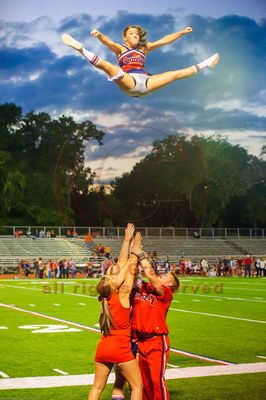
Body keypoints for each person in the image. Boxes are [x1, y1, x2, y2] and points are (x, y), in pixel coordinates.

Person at [61, 25, 219, 98]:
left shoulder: (145, 48)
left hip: (147, 82)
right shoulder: (120, 49)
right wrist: (98, 35)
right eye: (131, 34)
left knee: (174, 74)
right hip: (129, 81)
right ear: (125, 37)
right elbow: (108, 42)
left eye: (137, 33)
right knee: (108, 67)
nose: (136, 35)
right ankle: (81, 49)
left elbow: (165, 40)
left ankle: (207, 63)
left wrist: (182, 32)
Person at [112, 234, 179, 400]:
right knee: (144, 383)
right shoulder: (144, 288)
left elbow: (151, 275)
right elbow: (130, 272)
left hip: (156, 341)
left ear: (171, 285)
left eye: (166, 278)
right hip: (141, 341)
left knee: (157, 381)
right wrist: (132, 249)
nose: (161, 277)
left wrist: (140, 253)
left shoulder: (166, 293)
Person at [88, 224, 143, 400]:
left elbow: (120, 264)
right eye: (113, 274)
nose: (116, 272)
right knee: (136, 386)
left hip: (103, 347)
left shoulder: (104, 297)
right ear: (114, 283)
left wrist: (126, 240)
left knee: (96, 388)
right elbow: (128, 266)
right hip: (121, 348)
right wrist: (134, 251)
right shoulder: (123, 293)